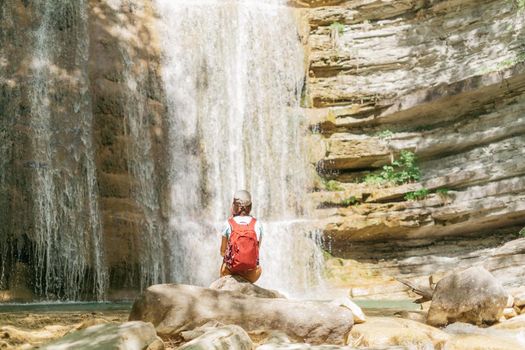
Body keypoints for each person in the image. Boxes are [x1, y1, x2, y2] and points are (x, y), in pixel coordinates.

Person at [220, 190, 263, 283]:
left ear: (234, 206)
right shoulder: (257, 224)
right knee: (259, 269)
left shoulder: (228, 223)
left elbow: (222, 252)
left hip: (231, 272)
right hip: (252, 274)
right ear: (250, 207)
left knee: (223, 266)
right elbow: (257, 249)